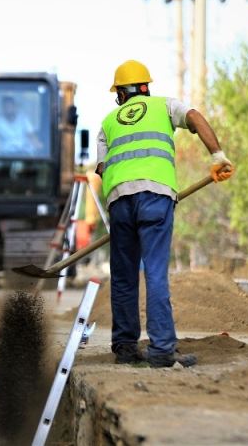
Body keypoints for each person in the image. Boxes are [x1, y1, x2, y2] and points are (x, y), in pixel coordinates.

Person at [95, 60, 234, 368]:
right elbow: (195, 117)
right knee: (155, 272)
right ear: (146, 87)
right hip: (156, 196)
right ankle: (160, 350)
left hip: (119, 199)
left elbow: (103, 169)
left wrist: (123, 201)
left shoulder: (107, 123)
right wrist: (218, 156)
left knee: (123, 277)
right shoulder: (164, 105)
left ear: (120, 94)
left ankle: (126, 348)